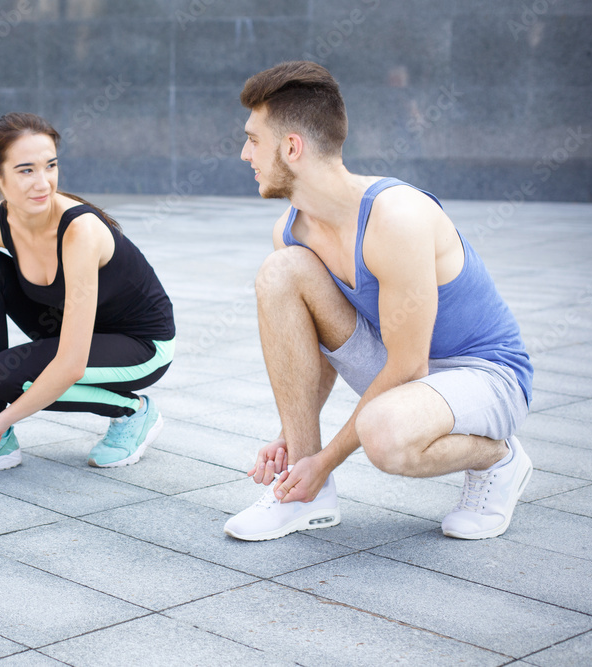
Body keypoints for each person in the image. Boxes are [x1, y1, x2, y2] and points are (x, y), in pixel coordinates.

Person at [223, 61, 533, 542]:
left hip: (485, 374)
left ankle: (500, 457)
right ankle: (304, 495)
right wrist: (294, 438)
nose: (245, 154)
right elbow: (319, 353)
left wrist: (327, 460)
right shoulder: (293, 230)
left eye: (253, 139)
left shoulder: (396, 216)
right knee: (280, 272)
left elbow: (409, 366)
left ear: (291, 147)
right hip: (407, 367)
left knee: (384, 437)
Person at [0, 112, 175, 480]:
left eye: (51, 166)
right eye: (26, 170)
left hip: (141, 344)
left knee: (7, 376)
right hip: (72, 330)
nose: (42, 183)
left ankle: (135, 412)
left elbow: (72, 364)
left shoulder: (80, 231)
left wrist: (3, 417)